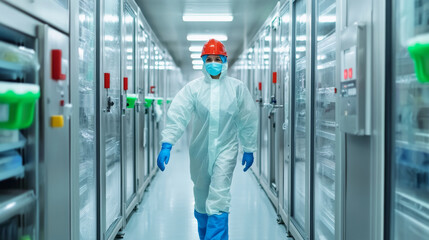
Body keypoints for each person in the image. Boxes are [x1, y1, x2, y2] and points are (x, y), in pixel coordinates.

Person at [157, 39, 258, 240]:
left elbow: (247, 119)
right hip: (200, 151)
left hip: (226, 149)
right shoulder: (193, 89)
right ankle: (205, 236)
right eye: (209, 59)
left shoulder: (236, 89)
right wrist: (167, 143)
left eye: (217, 58)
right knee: (201, 195)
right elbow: (178, 114)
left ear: (224, 61)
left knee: (219, 196)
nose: (214, 62)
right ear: (203, 62)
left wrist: (248, 147)